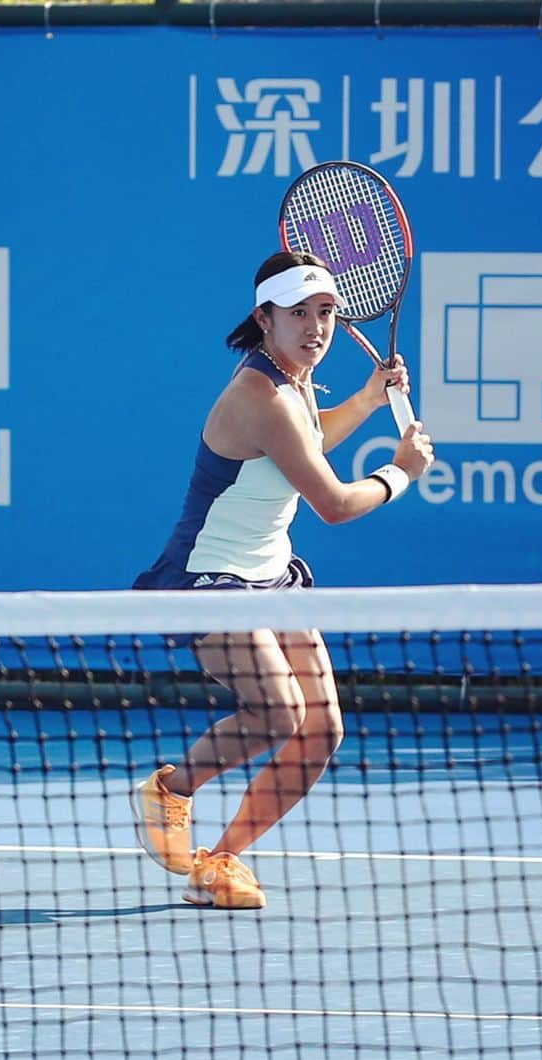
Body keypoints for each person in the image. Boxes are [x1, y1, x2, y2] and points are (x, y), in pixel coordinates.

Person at [129, 251, 435, 910]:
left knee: (320, 731)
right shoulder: (258, 396)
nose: (316, 327)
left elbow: (307, 441)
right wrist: (401, 471)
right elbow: (332, 505)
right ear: (264, 317)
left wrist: (367, 398)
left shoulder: (293, 379)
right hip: (210, 580)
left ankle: (221, 862)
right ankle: (173, 789)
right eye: (299, 313)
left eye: (325, 312)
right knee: (278, 711)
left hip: (272, 575)